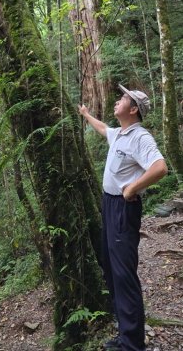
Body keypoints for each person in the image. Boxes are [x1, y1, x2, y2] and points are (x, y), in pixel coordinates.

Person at [78, 85, 168, 351]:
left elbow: (160, 167)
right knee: (111, 269)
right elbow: (103, 129)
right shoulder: (120, 134)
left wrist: (132, 187)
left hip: (123, 209)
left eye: (123, 99)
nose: (117, 101)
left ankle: (132, 343)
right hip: (109, 206)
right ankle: (125, 333)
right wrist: (85, 114)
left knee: (123, 273)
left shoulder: (141, 137)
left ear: (133, 109)